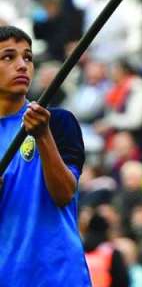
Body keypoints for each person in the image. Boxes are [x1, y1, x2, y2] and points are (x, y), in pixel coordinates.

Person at [0, 25, 90, 286]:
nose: (22, 65)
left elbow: (64, 193)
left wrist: (43, 135)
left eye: (27, 57)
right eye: (8, 57)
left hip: (59, 276)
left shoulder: (57, 122)